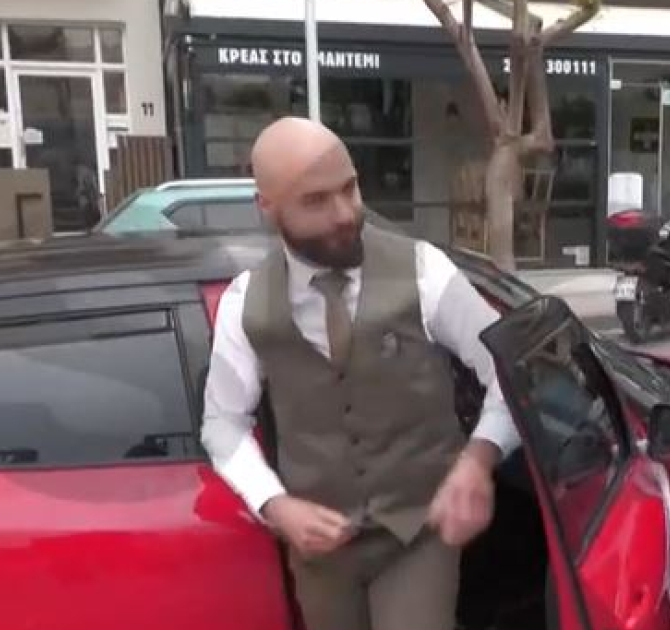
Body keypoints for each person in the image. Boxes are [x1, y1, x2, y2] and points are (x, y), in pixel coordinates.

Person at [199, 116, 521, 630]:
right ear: (268, 207)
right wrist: (275, 505)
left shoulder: (424, 271)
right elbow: (223, 423)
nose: (345, 213)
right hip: (320, 551)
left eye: (349, 188)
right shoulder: (245, 304)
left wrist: (477, 460)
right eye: (316, 200)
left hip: (418, 532)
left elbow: (511, 370)